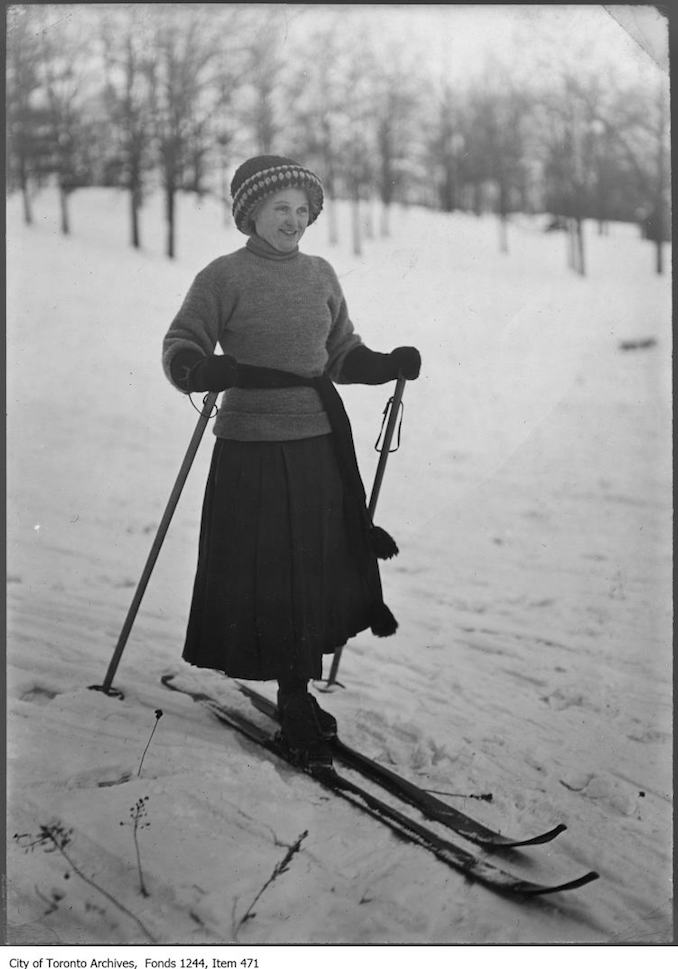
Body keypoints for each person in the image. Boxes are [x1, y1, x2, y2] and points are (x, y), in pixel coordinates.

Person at [163, 155, 421, 770]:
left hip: (316, 443)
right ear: (250, 212)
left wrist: (383, 364)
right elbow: (182, 344)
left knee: (314, 570)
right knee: (268, 572)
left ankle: (297, 690)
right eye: (282, 208)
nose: (295, 221)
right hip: (250, 446)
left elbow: (340, 353)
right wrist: (201, 371)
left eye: (304, 211)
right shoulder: (223, 276)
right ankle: (295, 699)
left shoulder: (321, 274)